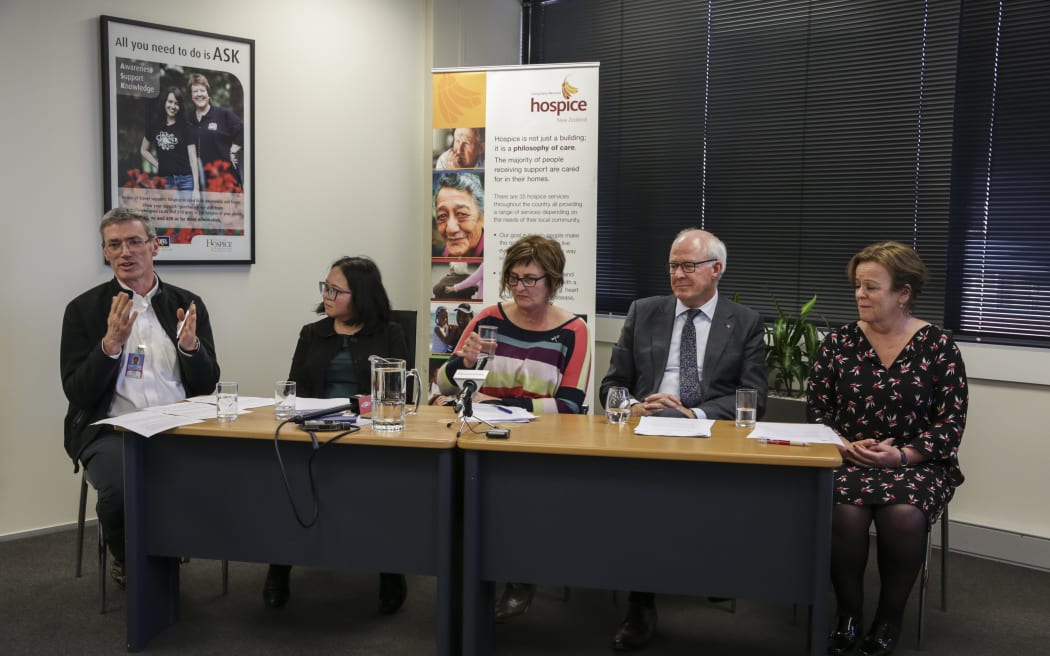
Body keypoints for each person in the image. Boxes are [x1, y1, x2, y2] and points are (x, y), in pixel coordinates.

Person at [599, 228, 767, 651]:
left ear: (717, 270)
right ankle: (641, 601)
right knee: (640, 496)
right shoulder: (643, 312)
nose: (678, 273)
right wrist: (634, 405)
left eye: (688, 265)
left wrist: (695, 413)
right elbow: (612, 386)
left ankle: (709, 568)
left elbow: (754, 398)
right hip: (645, 431)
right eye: (673, 265)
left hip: (710, 434)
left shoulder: (743, 321)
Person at [808, 242, 967, 656]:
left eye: (871, 287)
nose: (860, 294)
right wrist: (843, 444)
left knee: (903, 515)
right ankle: (848, 613)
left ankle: (889, 618)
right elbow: (817, 413)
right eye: (858, 286)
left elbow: (950, 424)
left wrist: (903, 455)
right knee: (843, 510)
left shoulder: (938, 347)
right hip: (847, 457)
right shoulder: (838, 343)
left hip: (917, 463)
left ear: (904, 292)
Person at [60, 208, 220, 587]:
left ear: (154, 247)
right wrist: (110, 345)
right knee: (120, 489)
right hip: (111, 429)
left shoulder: (186, 302)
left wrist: (190, 348)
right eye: (114, 245)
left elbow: (206, 384)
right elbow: (78, 391)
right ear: (105, 252)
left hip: (180, 425)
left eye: (134, 242)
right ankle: (129, 559)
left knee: (226, 469)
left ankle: (171, 543)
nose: (125, 252)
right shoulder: (83, 310)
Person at [434, 235, 590, 620]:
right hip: (483, 436)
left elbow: (569, 405)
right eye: (514, 278)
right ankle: (467, 575)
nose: (520, 288)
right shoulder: (489, 319)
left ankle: (518, 577)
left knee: (519, 494)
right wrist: (462, 364)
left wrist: (501, 404)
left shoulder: (573, 331)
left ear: (552, 281)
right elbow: (443, 384)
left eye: (530, 279)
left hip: (539, 444)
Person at [263, 256, 411, 615]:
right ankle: (278, 567)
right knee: (285, 480)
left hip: (370, 434)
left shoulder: (390, 333)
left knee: (382, 492)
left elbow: (400, 393)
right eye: (325, 287)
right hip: (313, 428)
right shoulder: (312, 332)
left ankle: (391, 569)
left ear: (360, 295)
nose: (326, 295)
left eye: (335, 290)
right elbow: (293, 387)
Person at [139, 86, 201, 202]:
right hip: (165, 181)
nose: (173, 106)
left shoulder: (186, 127)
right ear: (164, 102)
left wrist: (196, 189)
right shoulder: (154, 126)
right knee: (169, 219)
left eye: (176, 103)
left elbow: (193, 160)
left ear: (180, 106)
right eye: (170, 102)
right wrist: (158, 165)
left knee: (187, 219)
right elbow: (143, 150)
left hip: (186, 182)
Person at [186, 73, 244, 191]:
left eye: (202, 90)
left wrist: (233, 150)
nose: (199, 94)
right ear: (191, 96)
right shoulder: (188, 120)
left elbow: (243, 131)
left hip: (226, 181)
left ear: (208, 93)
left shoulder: (223, 114)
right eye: (195, 91)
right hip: (200, 184)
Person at [433, 172, 484, 257]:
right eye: (442, 216)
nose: (451, 229)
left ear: (483, 217)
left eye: (462, 214)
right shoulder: (437, 255)